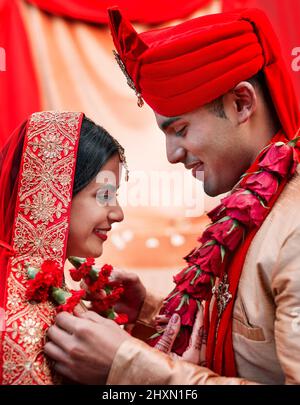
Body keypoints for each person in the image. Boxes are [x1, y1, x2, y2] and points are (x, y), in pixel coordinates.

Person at [45, 8, 300, 385]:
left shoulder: (292, 226)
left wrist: (127, 367)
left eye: (180, 129)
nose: (172, 154)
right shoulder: (257, 205)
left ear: (242, 103)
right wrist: (148, 314)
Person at [0, 111, 126, 384]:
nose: (118, 213)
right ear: (53, 191)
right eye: (104, 196)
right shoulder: (24, 318)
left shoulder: (40, 288)